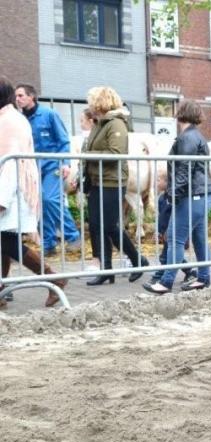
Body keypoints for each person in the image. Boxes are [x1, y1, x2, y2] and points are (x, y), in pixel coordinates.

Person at [0, 76, 67, 308]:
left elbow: (10, 162)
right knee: (5, 242)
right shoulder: (9, 118)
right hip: (13, 189)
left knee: (7, 243)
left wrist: (2, 200)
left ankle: (53, 277)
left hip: (12, 190)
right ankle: (0, 291)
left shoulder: (9, 122)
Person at [142, 100, 211, 294]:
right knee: (199, 239)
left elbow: (184, 169)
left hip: (192, 195)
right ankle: (204, 278)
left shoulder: (186, 138)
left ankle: (166, 282)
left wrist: (173, 195)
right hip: (202, 194)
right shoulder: (196, 136)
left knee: (175, 238)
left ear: (180, 114)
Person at [81, 86, 149, 285]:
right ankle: (106, 270)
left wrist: (86, 156)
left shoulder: (116, 124)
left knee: (109, 226)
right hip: (96, 180)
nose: (89, 106)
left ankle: (138, 260)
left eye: (92, 102)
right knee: (95, 226)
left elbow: (116, 154)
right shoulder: (99, 124)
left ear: (101, 103)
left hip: (111, 181)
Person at [14, 84, 81, 255]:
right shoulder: (20, 119)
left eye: (21, 95)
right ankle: (48, 243)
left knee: (50, 199)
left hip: (53, 165)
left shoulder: (49, 114)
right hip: (33, 168)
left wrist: (65, 162)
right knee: (39, 203)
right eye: (16, 96)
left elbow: (63, 140)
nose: (18, 99)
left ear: (32, 97)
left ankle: (73, 236)